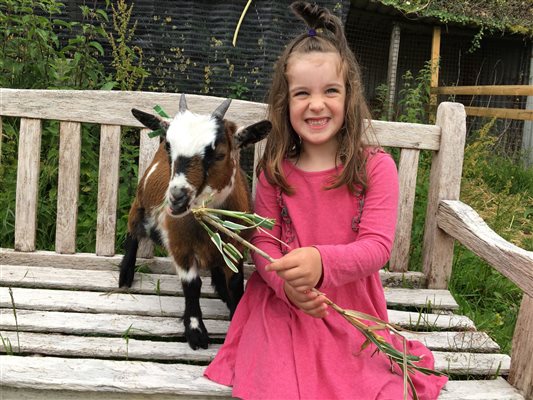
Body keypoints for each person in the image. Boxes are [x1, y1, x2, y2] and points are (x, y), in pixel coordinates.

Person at [205, 2, 448, 398]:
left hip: (350, 303)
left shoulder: (375, 167)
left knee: (367, 382)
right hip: (283, 303)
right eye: (302, 93)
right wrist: (286, 287)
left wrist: (322, 261)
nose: (316, 104)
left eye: (330, 91)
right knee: (276, 380)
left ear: (349, 96)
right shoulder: (274, 170)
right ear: (286, 103)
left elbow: (377, 247)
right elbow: (262, 244)